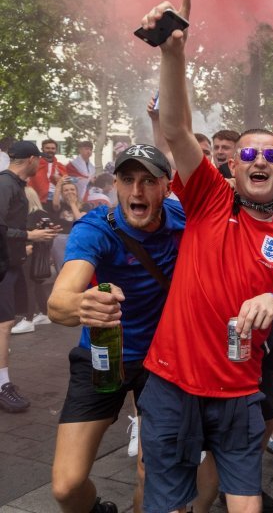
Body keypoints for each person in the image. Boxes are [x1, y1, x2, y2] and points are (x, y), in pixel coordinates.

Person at [138, 0, 273, 513]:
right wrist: (174, 55)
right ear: (233, 166)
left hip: (239, 392)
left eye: (272, 157)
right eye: (249, 154)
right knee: (165, 502)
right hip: (172, 381)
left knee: (246, 506)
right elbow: (174, 129)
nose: (260, 161)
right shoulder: (210, 198)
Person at [48, 144, 180, 513]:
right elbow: (58, 303)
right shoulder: (95, 229)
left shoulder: (181, 217)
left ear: (166, 188)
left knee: (150, 473)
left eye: (148, 181)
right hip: (103, 355)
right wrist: (81, 304)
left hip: (161, 362)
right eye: (127, 179)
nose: (136, 191)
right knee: (66, 485)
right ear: (116, 185)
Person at [0, 141, 58, 413]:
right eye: (40, 159)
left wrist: (27, 239)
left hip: (9, 264)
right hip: (3, 267)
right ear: (32, 159)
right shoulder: (6, 184)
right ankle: (2, 385)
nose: (42, 164)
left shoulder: (15, 185)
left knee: (5, 323)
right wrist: (29, 236)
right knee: (3, 324)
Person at [9, 187, 54, 335]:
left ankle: (28, 320)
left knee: (29, 285)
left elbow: (47, 236)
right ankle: (44, 313)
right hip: (34, 255)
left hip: (31, 255)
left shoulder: (34, 214)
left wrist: (31, 247)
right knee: (37, 285)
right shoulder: (37, 214)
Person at [28, 138, 67, 208]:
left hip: (57, 200)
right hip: (37, 200)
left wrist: (60, 180)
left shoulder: (61, 166)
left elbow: (68, 184)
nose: (50, 150)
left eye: (53, 148)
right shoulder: (34, 164)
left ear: (56, 150)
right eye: (47, 148)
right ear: (42, 149)